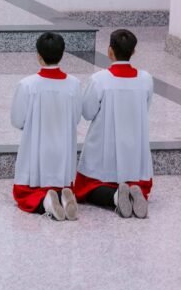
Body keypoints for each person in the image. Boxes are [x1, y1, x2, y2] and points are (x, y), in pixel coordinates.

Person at [74, 29, 154, 218]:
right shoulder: (145, 79)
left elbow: (87, 112)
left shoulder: (100, 80)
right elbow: (145, 107)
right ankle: (134, 192)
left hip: (104, 151)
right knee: (137, 181)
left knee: (85, 188)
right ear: (133, 52)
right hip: (134, 151)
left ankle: (115, 197)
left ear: (110, 51)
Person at [11, 32, 81, 221]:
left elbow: (17, 120)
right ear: (62, 54)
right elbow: (76, 118)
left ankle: (46, 202)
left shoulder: (27, 85)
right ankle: (63, 196)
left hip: (37, 150)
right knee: (61, 184)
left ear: (38, 55)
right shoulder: (74, 84)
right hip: (62, 152)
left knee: (24, 193)